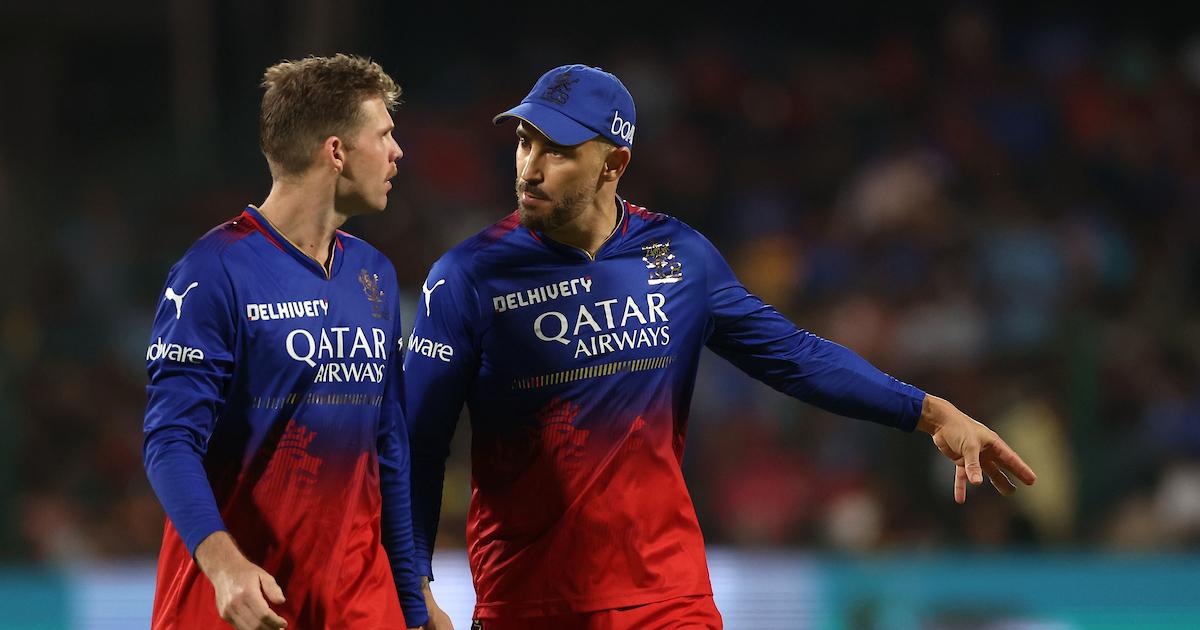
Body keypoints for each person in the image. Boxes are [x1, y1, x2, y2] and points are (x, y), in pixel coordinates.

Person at [403, 64, 1037, 629]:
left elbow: (796, 357)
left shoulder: (680, 258)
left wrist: (931, 412)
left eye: (558, 151)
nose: (530, 167)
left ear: (613, 164)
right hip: (528, 603)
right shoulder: (467, 277)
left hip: (667, 599)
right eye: (524, 141)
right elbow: (418, 442)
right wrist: (417, 582)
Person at [143, 54, 428, 630]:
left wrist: (415, 604)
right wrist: (225, 566)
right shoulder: (215, 271)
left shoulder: (374, 273)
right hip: (245, 603)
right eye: (384, 135)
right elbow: (170, 440)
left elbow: (391, 449)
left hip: (357, 605)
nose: (397, 152)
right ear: (336, 151)